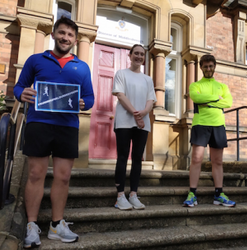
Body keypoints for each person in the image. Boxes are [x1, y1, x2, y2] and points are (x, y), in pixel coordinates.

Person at [14, 16, 94, 248]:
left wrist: (83, 104)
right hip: (38, 122)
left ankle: (56, 225)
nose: (65, 38)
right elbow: (19, 86)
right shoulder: (36, 60)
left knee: (63, 176)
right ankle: (31, 226)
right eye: (61, 33)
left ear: (76, 40)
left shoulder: (82, 67)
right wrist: (22, 94)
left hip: (67, 126)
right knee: (36, 175)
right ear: (53, 35)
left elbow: (89, 98)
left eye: (70, 35)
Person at [183, 54, 235, 208]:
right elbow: (196, 98)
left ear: (214, 66)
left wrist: (208, 101)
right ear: (201, 68)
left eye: (210, 66)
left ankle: (219, 194)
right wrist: (217, 99)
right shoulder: (195, 85)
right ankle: (192, 194)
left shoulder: (223, 86)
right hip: (200, 124)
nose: (208, 69)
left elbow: (229, 102)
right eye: (205, 66)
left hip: (218, 125)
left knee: (217, 161)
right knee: (196, 159)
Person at [112, 44, 156, 210]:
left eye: (142, 54)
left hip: (143, 124)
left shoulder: (148, 79)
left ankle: (133, 195)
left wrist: (143, 112)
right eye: (136, 53)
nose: (139, 56)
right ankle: (120, 196)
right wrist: (136, 114)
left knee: (138, 158)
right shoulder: (121, 74)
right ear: (129, 55)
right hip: (124, 122)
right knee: (122, 157)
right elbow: (120, 95)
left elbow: (151, 100)